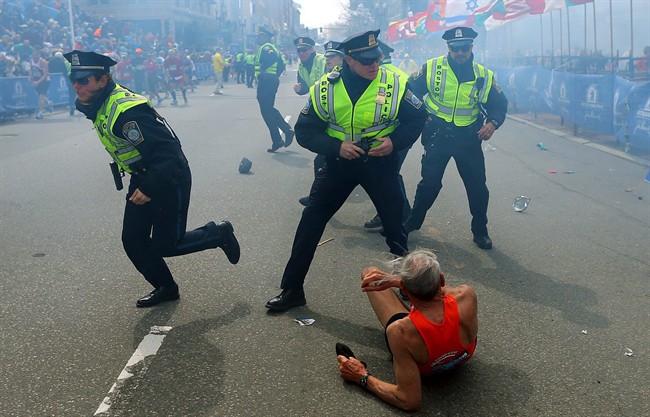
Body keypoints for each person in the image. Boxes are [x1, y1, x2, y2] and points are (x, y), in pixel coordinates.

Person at [265, 30, 428, 312]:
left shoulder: (394, 82)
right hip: (338, 166)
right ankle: (292, 290)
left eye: (376, 58)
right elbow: (305, 132)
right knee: (310, 224)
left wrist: (395, 142)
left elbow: (418, 117)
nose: (374, 65)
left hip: (379, 165)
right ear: (348, 60)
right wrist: (335, 146)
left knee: (395, 231)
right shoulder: (325, 87)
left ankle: (411, 292)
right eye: (366, 61)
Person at [63, 50, 240, 307]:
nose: (77, 86)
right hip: (144, 174)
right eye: (73, 80)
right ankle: (166, 288)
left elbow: (169, 152)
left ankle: (218, 233)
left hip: (168, 176)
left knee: (168, 244)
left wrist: (149, 187)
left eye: (84, 80)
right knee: (133, 240)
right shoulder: (100, 100)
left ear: (103, 80)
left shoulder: (126, 111)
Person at [404, 27, 508, 250]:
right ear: (448, 48)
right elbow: (409, 90)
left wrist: (492, 123)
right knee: (430, 184)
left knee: (477, 186)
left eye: (465, 48)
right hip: (438, 135)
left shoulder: (484, 75)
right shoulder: (432, 68)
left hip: (468, 138)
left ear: (471, 47)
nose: (460, 52)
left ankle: (480, 230)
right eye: (455, 48)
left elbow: (499, 105)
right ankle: (412, 223)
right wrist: (421, 114)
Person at [336, 249, 478, 411]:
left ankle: (413, 304)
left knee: (368, 273)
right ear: (442, 279)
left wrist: (361, 376)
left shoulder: (400, 331)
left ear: (404, 289)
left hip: (427, 367)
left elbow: (408, 401)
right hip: (463, 355)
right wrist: (402, 282)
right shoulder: (467, 295)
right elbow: (442, 291)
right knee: (427, 310)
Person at [363, 41, 412, 231]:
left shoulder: (384, 77)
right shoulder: (401, 74)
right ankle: (394, 215)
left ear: (379, 58)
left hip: (392, 136)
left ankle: (399, 217)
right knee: (388, 175)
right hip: (399, 135)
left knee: (387, 176)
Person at [298, 40, 344, 207]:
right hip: (336, 133)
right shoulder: (329, 78)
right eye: (327, 56)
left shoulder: (345, 77)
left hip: (353, 135)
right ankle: (317, 199)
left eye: (333, 56)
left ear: (342, 58)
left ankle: (400, 215)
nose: (328, 59)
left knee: (377, 181)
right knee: (321, 162)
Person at [254, 27, 294, 153]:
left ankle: (279, 138)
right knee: (268, 109)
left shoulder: (267, 48)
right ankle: (284, 133)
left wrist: (263, 72)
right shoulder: (270, 47)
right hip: (269, 81)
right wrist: (272, 76)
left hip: (266, 81)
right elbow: (281, 65)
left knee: (266, 111)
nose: (258, 38)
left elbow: (272, 59)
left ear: (265, 37)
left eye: (260, 36)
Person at [29, 48, 52, 119]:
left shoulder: (43, 62)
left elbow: (45, 74)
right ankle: (48, 102)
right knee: (40, 95)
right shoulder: (31, 61)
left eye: (35, 55)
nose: (34, 56)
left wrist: (38, 82)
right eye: (33, 55)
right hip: (36, 79)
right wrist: (30, 77)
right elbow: (31, 70)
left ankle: (40, 113)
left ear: (39, 55)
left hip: (45, 80)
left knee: (41, 96)